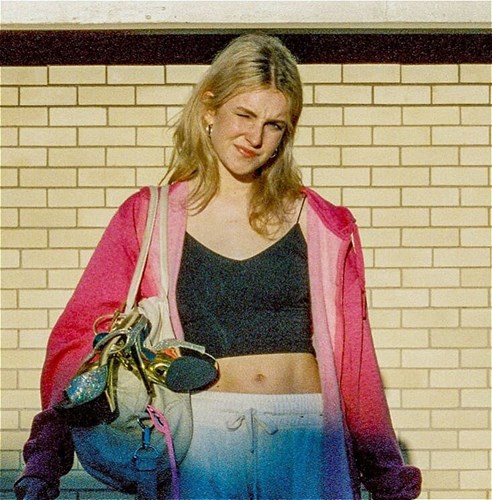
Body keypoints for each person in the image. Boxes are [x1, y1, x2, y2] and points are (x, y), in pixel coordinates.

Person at [15, 34, 421, 499]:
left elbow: (357, 367)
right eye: (244, 115)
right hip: (199, 445)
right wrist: (45, 459)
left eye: (274, 124)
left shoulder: (326, 225)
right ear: (210, 108)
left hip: (308, 441)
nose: (255, 138)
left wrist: (391, 483)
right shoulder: (148, 217)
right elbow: (82, 345)